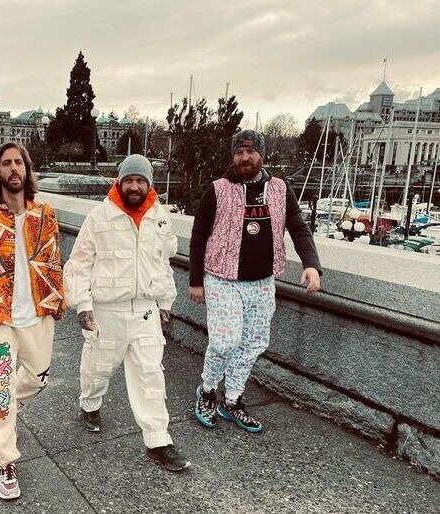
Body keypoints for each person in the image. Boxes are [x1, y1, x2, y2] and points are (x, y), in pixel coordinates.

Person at [64, 154, 191, 472]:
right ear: (119, 181)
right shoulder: (99, 217)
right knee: (98, 367)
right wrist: (83, 304)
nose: (134, 186)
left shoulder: (160, 217)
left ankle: (158, 440)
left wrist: (165, 302)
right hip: (107, 310)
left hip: (145, 312)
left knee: (151, 375)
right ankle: (90, 404)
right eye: (129, 180)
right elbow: (79, 263)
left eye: (140, 181)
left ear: (149, 184)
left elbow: (162, 264)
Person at [190, 129, 322, 433]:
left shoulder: (280, 189)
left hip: (262, 282)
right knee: (224, 341)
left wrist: (311, 265)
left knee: (252, 344)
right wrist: (196, 280)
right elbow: (198, 236)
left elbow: (299, 228)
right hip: (222, 279)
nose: (244, 157)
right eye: (239, 152)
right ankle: (207, 390)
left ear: (262, 155)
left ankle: (232, 399)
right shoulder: (218, 190)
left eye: (250, 151)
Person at [0, 142, 65, 500]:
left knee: (38, 378)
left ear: (27, 169)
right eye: (6, 163)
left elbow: (53, 261)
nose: (13, 168)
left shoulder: (45, 214)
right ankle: (6, 461)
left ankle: (4, 408)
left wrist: (57, 302)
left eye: (18, 162)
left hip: (38, 314)